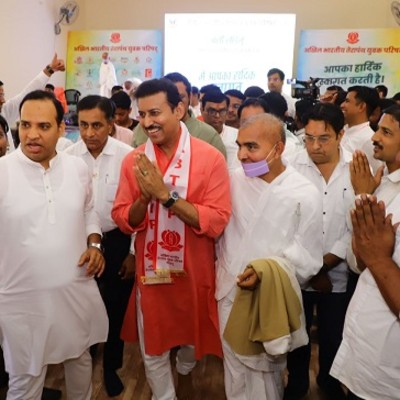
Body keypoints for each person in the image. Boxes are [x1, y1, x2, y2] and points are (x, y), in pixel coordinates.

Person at [112, 78, 231, 400]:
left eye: (155, 113)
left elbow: (217, 220)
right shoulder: (134, 160)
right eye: (142, 114)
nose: (147, 122)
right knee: (152, 346)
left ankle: (185, 370)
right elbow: (123, 218)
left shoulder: (210, 159)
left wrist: (166, 197)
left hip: (194, 272)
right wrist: (143, 198)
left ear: (179, 110)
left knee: (192, 339)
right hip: (151, 273)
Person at [0, 90, 108, 399]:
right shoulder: (3, 173)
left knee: (80, 359)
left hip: (74, 289)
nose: (32, 135)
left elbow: (89, 211)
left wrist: (95, 245)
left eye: (43, 126)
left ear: (61, 128)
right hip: (21, 301)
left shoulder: (77, 168)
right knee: (25, 379)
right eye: (25, 125)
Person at [216, 113, 323, 400]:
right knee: (234, 369)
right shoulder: (233, 180)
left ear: (278, 148)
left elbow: (309, 258)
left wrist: (265, 271)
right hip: (228, 290)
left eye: (251, 147)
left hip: (268, 297)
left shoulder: (303, 193)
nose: (242, 155)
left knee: (265, 375)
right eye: (239, 146)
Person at [66, 95, 134, 397]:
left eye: (96, 125)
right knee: (82, 304)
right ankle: (86, 355)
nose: (89, 133)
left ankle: (111, 367)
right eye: (83, 125)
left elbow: (140, 209)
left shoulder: (128, 157)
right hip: (79, 241)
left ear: (111, 124)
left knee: (116, 307)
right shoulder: (68, 157)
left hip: (119, 239)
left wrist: (132, 252)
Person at [285, 103, 354, 400]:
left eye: (323, 139)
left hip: (339, 273)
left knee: (333, 334)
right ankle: (296, 383)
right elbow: (285, 223)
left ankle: (328, 380)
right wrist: (312, 270)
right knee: (296, 336)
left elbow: (356, 227)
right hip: (298, 273)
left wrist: (323, 267)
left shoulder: (357, 167)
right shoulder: (291, 166)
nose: (314, 146)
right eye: (309, 138)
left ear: (341, 134)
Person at [330, 195, 400, 400]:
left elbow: (379, 259)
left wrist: (378, 259)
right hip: (365, 364)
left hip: (388, 382)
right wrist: (365, 250)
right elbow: (366, 265)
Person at [132, 72, 227, 158]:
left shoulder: (208, 135)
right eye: (169, 98)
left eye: (180, 97)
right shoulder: (142, 129)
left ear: (190, 97)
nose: (175, 101)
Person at [0, 54, 65, 151]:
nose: (3, 100)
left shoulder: (4, 111)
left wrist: (50, 69)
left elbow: (26, 93)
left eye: (2, 95)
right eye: (0, 96)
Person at [340, 85, 381, 172]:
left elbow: (377, 172)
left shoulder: (369, 139)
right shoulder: (341, 130)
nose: (342, 105)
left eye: (347, 101)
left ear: (361, 106)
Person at [201, 90, 241, 173]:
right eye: (212, 111)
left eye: (222, 111)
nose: (217, 116)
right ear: (202, 109)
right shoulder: (192, 134)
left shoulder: (238, 136)